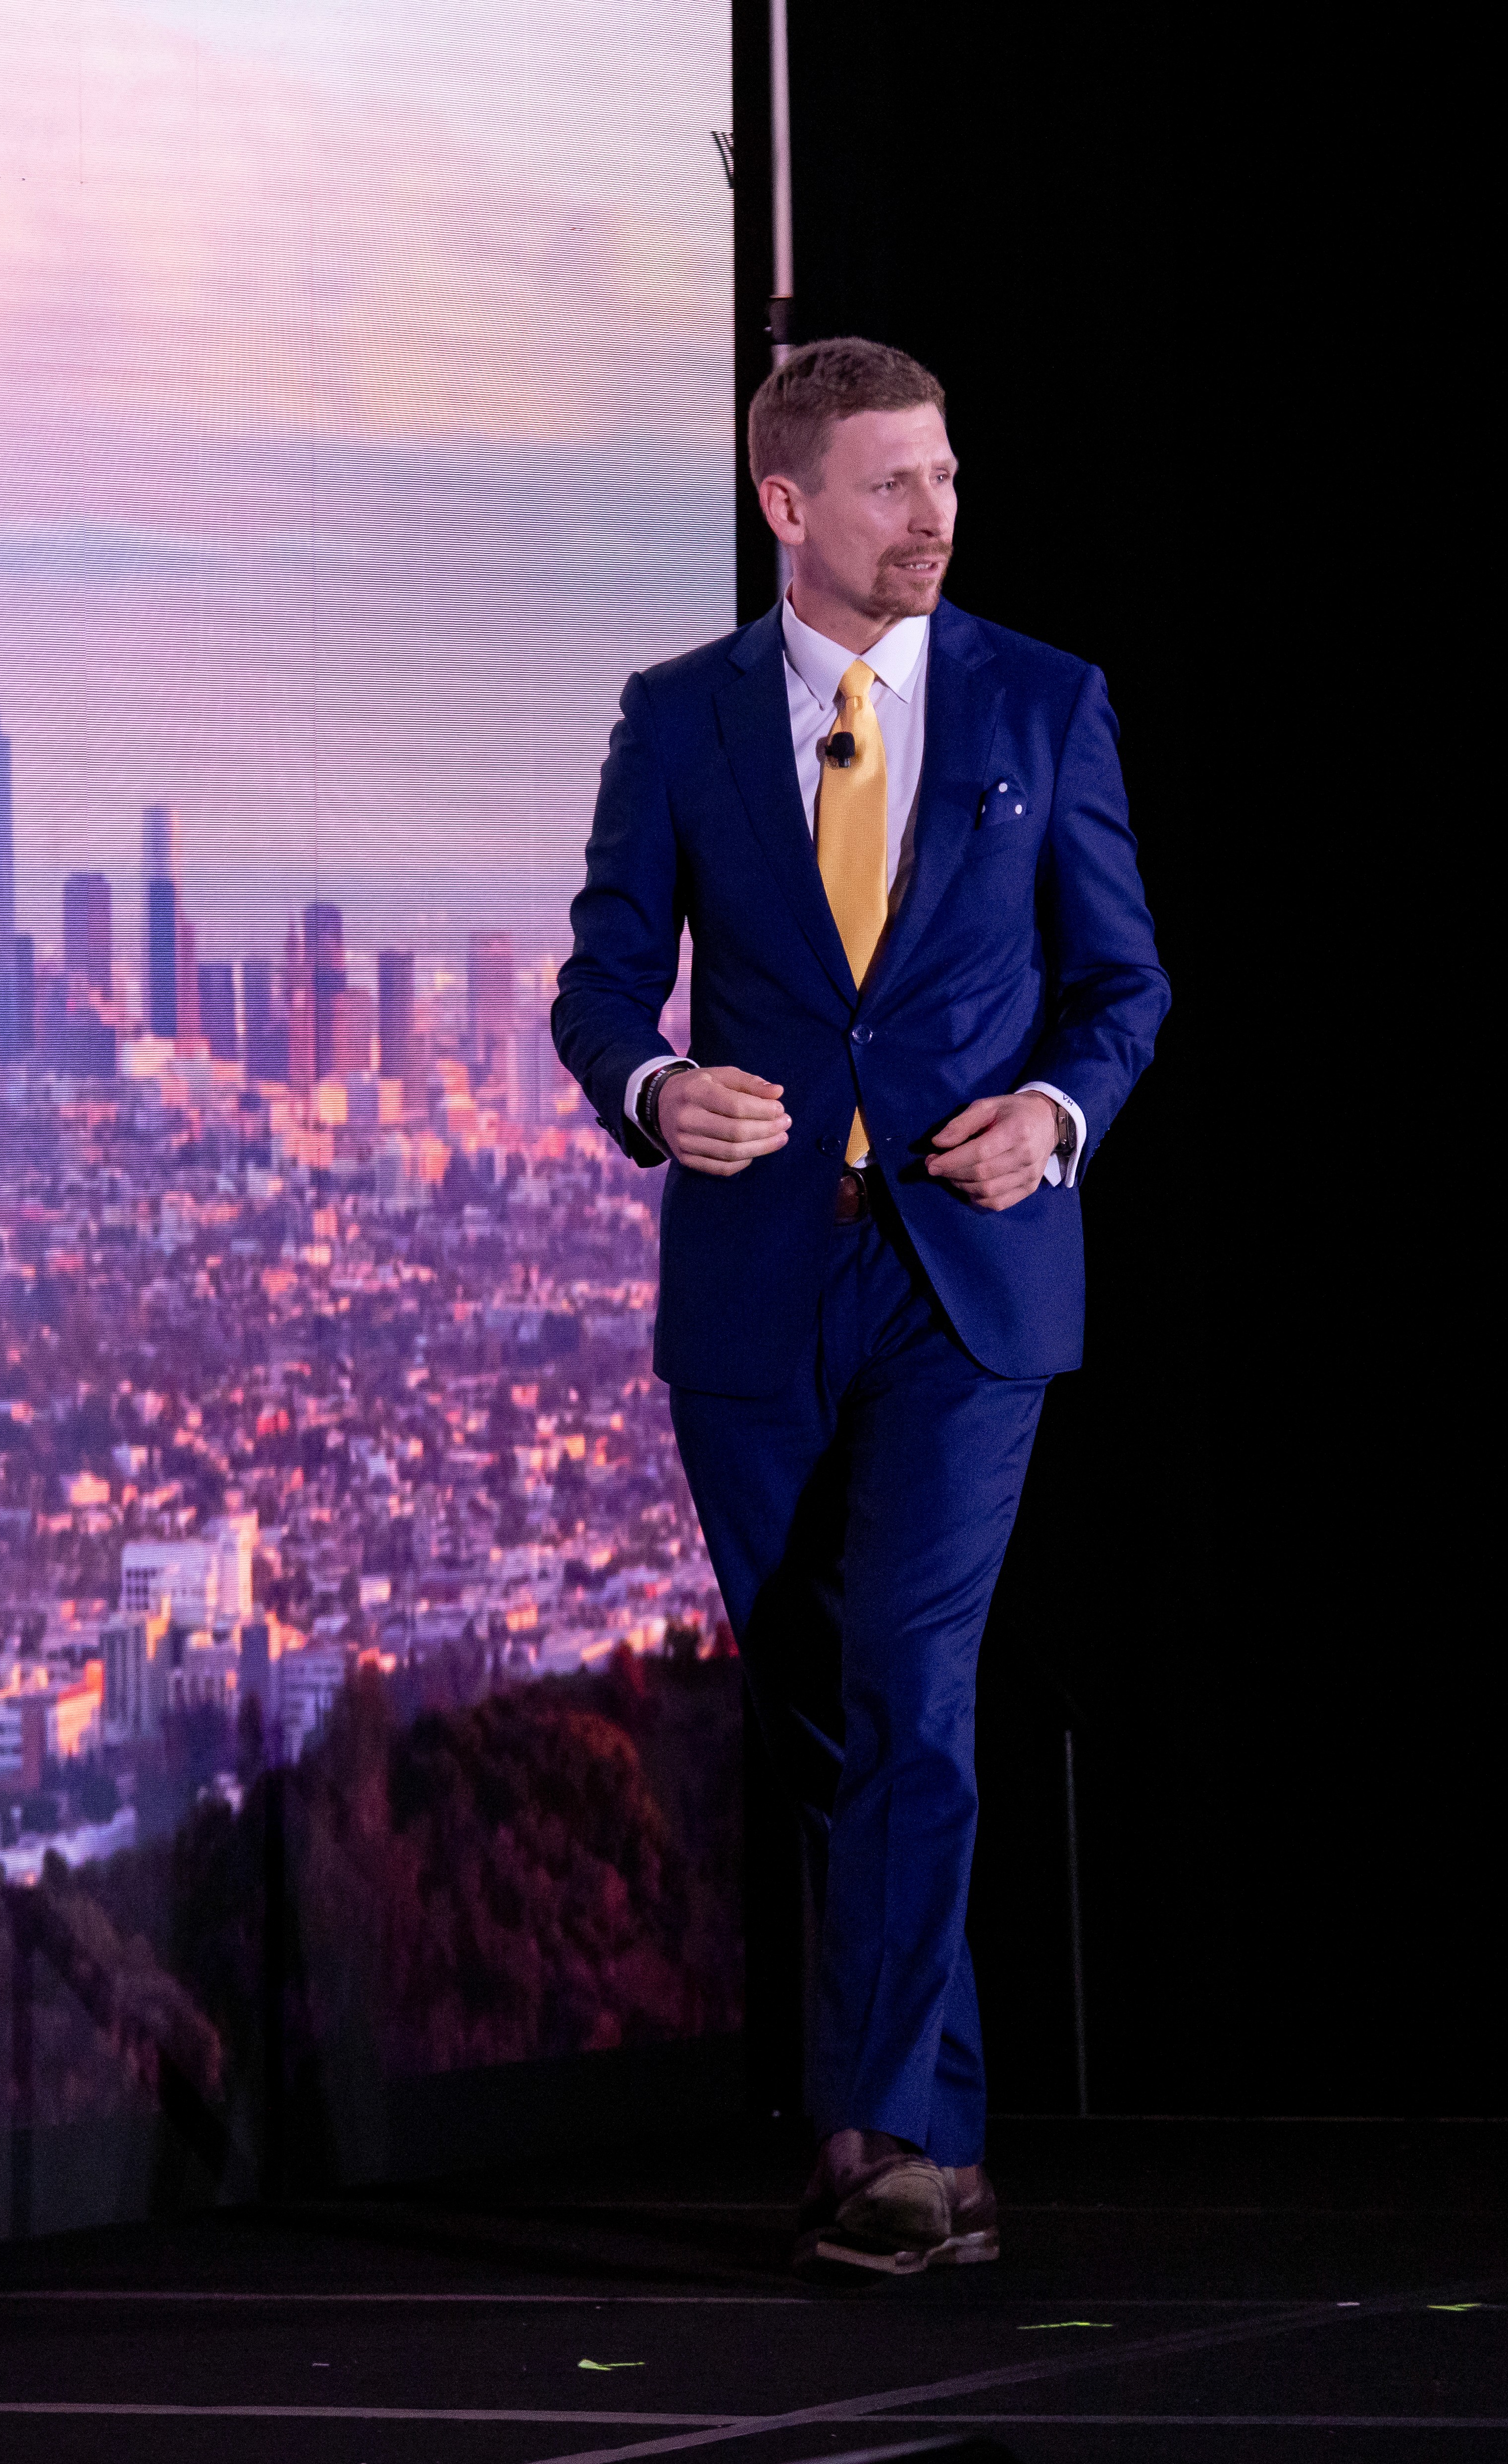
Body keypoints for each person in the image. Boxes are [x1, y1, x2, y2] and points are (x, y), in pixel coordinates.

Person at [551, 336, 1168, 2278]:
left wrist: (1057, 1116)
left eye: (949, 477)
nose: (937, 515)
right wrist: (655, 1093)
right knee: (824, 1720)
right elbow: (595, 985)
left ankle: (883, 2139)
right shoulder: (676, 720)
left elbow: (1122, 988)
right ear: (787, 506)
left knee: (909, 1686)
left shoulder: (1043, 703)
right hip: (753, 1284)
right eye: (894, 484)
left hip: (963, 1288)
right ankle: (931, 2120)